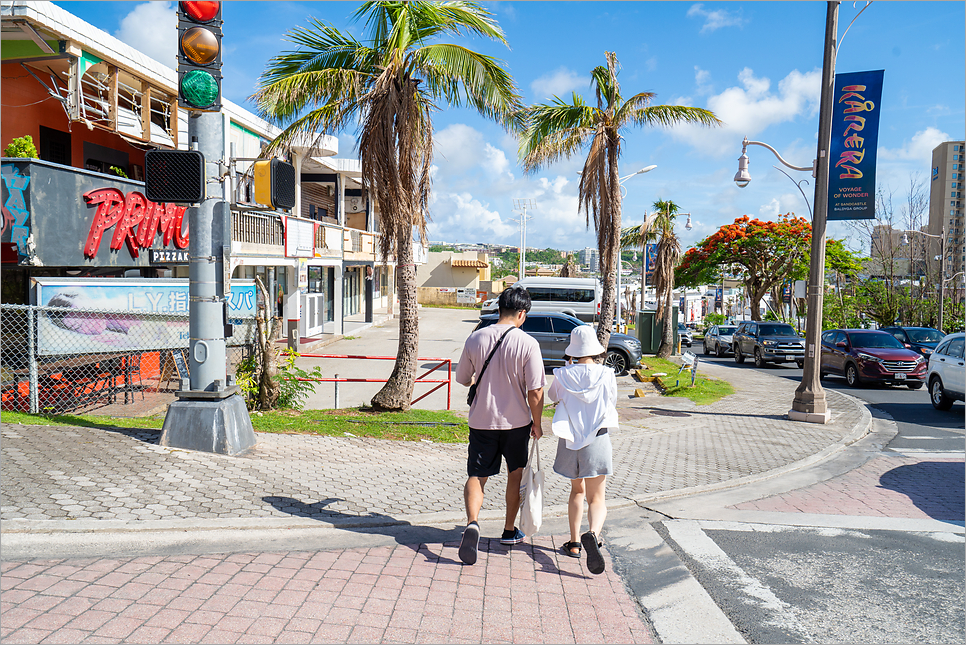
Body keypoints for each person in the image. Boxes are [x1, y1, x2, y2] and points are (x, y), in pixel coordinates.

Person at [454, 287, 545, 565]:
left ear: (499, 309)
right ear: (521, 313)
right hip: (516, 424)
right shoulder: (528, 344)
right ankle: (508, 531)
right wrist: (537, 424)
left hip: (481, 421)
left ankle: (472, 523)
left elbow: (462, 378)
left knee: (476, 475)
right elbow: (536, 391)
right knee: (515, 476)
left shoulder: (475, 338)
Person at [546, 324, 617, 575]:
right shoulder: (607, 374)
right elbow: (612, 401)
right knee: (597, 497)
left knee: (577, 491)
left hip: (569, 439)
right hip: (597, 437)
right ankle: (593, 535)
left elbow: (552, 396)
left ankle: (575, 543)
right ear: (594, 349)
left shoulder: (562, 374)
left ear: (573, 350)